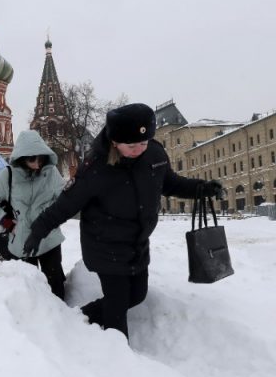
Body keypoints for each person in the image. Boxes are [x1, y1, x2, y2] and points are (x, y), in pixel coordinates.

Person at [24, 103, 223, 338]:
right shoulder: (95, 168)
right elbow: (65, 206)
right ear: (114, 142)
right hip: (104, 245)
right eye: (131, 145)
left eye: (143, 142)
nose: (139, 149)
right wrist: (38, 230)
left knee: (137, 295)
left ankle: (79, 319)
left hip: (137, 244)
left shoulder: (155, 154)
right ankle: (119, 359)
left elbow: (169, 182)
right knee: (117, 308)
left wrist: (202, 188)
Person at [0, 131, 67, 299]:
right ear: (21, 157)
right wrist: (7, 222)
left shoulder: (51, 173)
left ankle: (60, 321)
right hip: (21, 242)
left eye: (41, 158)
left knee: (55, 283)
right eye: (32, 159)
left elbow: (65, 200)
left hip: (48, 238)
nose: (37, 164)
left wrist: (51, 218)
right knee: (28, 289)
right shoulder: (8, 175)